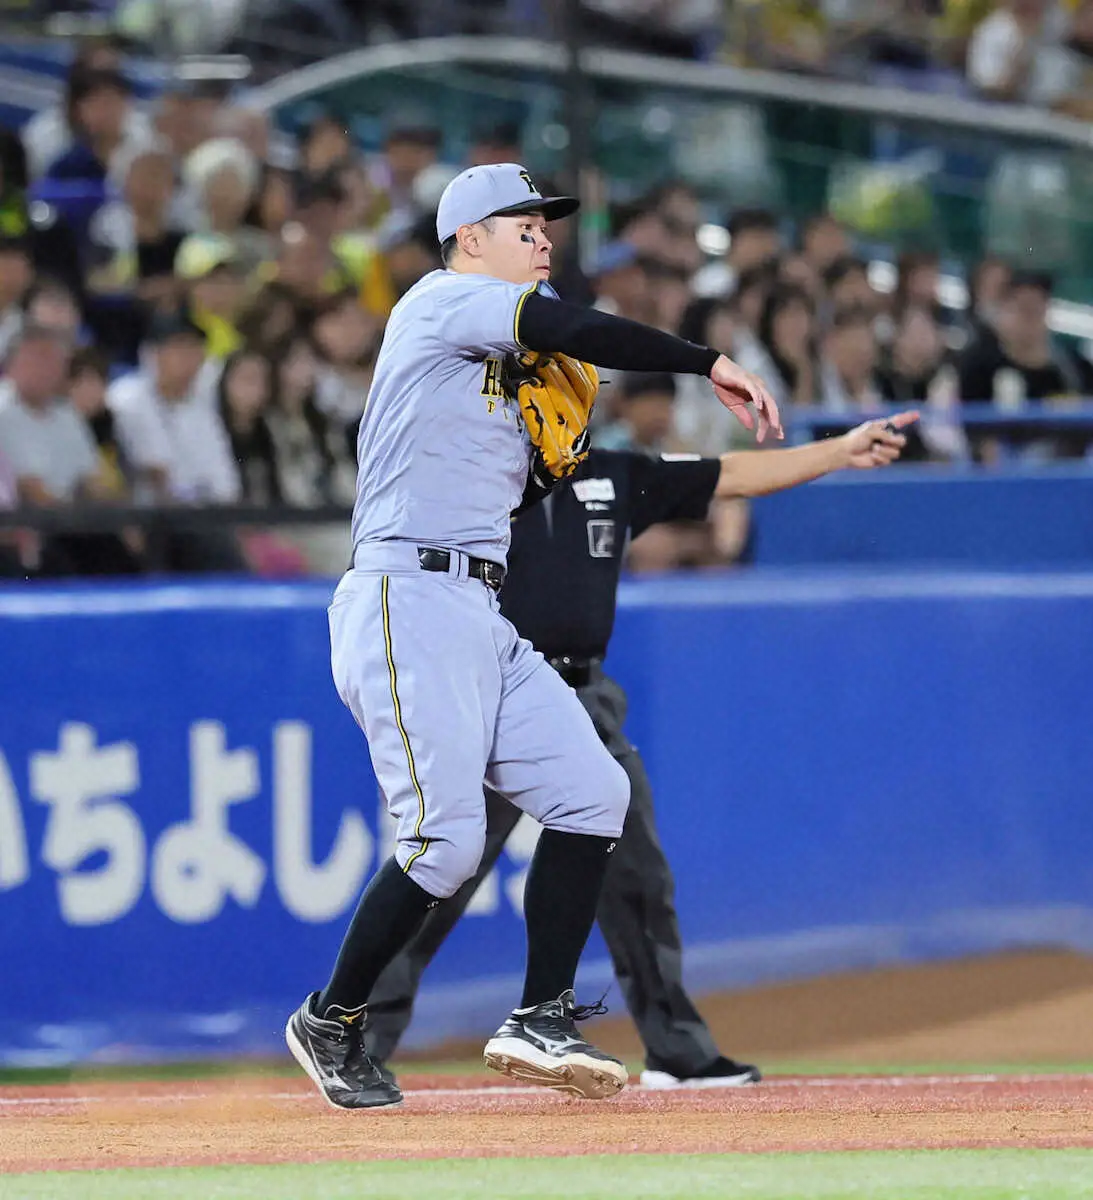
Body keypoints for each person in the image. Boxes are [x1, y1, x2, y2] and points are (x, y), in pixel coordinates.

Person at [285, 161, 781, 1111]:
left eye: (545, 225)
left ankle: (539, 1014)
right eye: (523, 224)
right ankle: (332, 1018)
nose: (544, 237)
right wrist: (702, 360)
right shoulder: (440, 302)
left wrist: (548, 458)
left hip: (477, 607)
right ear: (470, 240)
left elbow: (527, 477)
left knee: (593, 791)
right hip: (402, 594)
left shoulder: (508, 379)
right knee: (442, 842)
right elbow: (570, 324)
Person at [363, 413, 916, 1089]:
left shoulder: (613, 472)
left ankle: (676, 1050)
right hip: (493, 694)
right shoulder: (476, 473)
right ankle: (355, 1037)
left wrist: (838, 449)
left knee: (637, 882)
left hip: (584, 694)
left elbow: (731, 474)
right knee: (439, 877)